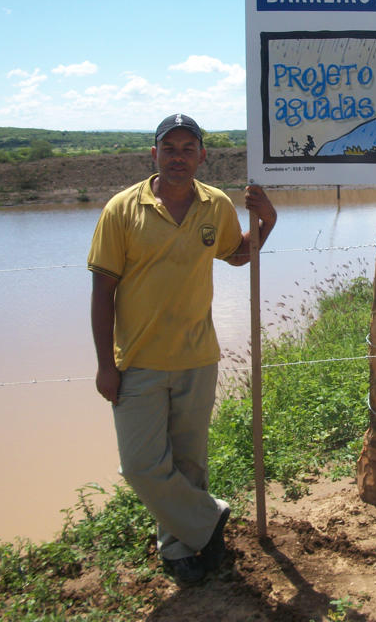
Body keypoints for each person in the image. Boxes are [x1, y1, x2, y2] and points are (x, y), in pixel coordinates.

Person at [87, 112, 276, 586]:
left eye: (187, 148)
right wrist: (104, 365)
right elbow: (101, 291)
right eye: (168, 148)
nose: (178, 157)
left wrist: (267, 223)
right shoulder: (121, 209)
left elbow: (236, 255)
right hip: (137, 362)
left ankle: (182, 549)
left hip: (197, 357)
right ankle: (210, 519)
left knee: (190, 463)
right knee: (141, 465)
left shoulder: (215, 205)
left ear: (202, 156)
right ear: (154, 154)